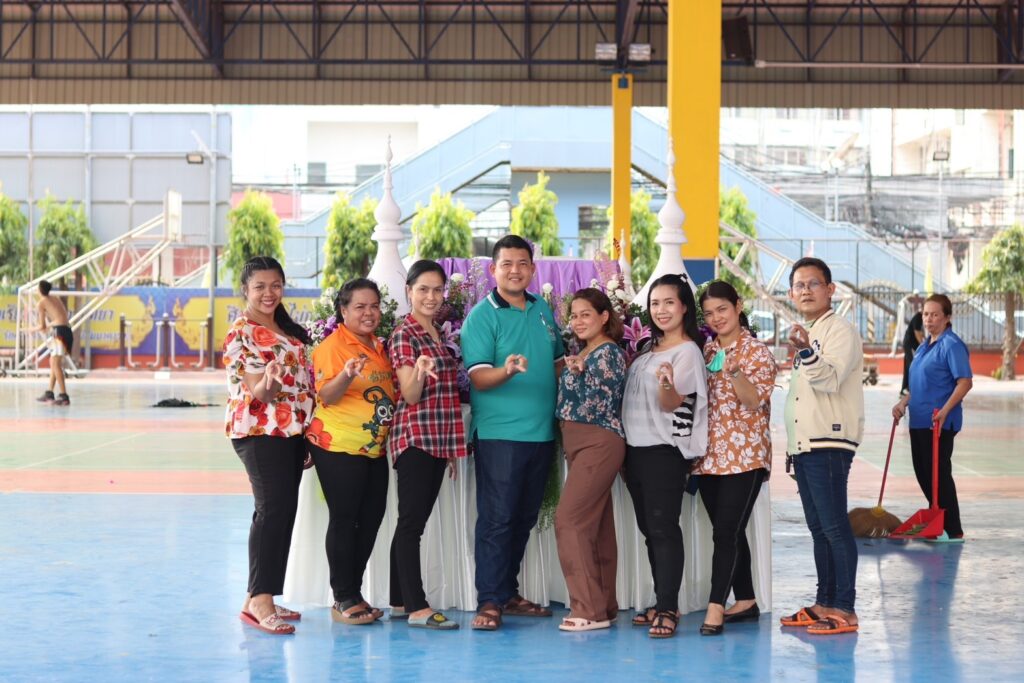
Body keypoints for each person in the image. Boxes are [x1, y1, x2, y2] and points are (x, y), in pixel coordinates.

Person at [460, 234, 565, 631]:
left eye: (522, 264)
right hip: (500, 435)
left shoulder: (542, 309)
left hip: (542, 433)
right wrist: (506, 370)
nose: (515, 271)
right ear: (493, 270)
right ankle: (489, 600)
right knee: (497, 519)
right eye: (506, 264)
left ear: (533, 269)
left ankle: (507, 593)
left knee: (523, 518)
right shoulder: (481, 317)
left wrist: (576, 364)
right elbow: (478, 377)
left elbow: (555, 362)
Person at [224, 256, 314, 635]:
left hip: (291, 432)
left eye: (275, 285)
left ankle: (258, 598)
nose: (268, 293)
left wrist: (307, 430)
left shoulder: (288, 329)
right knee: (272, 510)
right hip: (260, 431)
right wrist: (271, 380)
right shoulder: (241, 332)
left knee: (283, 511)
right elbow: (259, 392)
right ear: (245, 290)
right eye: (259, 286)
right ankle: (261, 600)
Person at [780, 257, 864, 636]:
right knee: (819, 529)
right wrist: (793, 446)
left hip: (829, 442)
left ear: (830, 290)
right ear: (791, 293)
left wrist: (805, 350)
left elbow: (829, 380)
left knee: (834, 526)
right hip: (807, 444)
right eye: (799, 285)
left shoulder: (839, 330)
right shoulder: (812, 331)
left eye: (813, 283)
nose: (806, 291)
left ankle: (844, 608)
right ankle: (824, 602)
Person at [622, 273, 708, 639]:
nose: (661, 310)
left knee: (663, 529)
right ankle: (662, 601)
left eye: (669, 302)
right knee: (649, 531)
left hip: (663, 452)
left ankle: (669, 608)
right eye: (655, 303)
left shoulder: (686, 352)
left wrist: (667, 383)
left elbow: (672, 403)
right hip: (635, 451)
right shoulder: (647, 351)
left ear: (684, 307)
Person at [305, 278, 395, 625]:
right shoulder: (333, 347)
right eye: (360, 307)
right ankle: (343, 597)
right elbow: (326, 396)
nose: (369, 313)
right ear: (343, 311)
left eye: (374, 306)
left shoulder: (378, 346)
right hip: (339, 445)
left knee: (371, 519)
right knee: (345, 519)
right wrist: (345, 374)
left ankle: (353, 592)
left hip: (373, 447)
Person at [693, 281, 777, 636]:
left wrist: (736, 373)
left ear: (738, 306)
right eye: (709, 313)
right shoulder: (707, 349)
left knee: (725, 531)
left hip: (745, 456)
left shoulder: (756, 352)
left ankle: (715, 606)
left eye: (722, 310)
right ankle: (745, 599)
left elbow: (754, 401)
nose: (716, 318)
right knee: (729, 529)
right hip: (709, 456)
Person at [386, 260, 467, 631]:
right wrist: (418, 371)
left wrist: (449, 448)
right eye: (423, 289)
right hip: (415, 438)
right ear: (409, 291)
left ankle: (399, 601)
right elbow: (411, 394)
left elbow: (446, 397)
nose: (431, 297)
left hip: (437, 440)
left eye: (437, 290)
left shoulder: (435, 333)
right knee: (411, 525)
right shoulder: (405, 335)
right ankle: (417, 606)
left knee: (410, 521)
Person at [554, 289, 628, 632]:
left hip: (598, 440)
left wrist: (582, 371)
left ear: (604, 316)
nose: (579, 321)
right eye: (574, 315)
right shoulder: (583, 351)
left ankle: (587, 609)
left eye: (586, 314)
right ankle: (604, 607)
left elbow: (604, 395)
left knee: (569, 520)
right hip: (580, 443)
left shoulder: (608, 352)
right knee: (596, 526)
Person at [892, 294, 972, 543]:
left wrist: (945, 410)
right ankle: (937, 519)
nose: (929, 319)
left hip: (938, 422)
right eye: (926, 314)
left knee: (938, 475)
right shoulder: (925, 345)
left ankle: (952, 528)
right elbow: (921, 383)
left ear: (947, 317)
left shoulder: (951, 344)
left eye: (935, 314)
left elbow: (965, 382)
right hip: (918, 419)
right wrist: (904, 402)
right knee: (924, 473)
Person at [34, 280, 73, 406]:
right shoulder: (55, 298)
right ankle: (50, 392)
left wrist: (30, 329)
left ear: (40, 290)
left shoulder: (41, 303)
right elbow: (60, 317)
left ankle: (64, 396)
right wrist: (50, 325)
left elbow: (42, 326)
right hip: (66, 331)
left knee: (55, 364)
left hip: (59, 332)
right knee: (54, 363)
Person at [901, 312, 924, 395]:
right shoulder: (918, 317)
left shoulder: (921, 319)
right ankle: (910, 388)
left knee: (908, 365)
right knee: (912, 366)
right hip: (910, 345)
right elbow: (917, 332)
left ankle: (905, 388)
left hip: (910, 344)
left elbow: (920, 333)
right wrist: (923, 345)